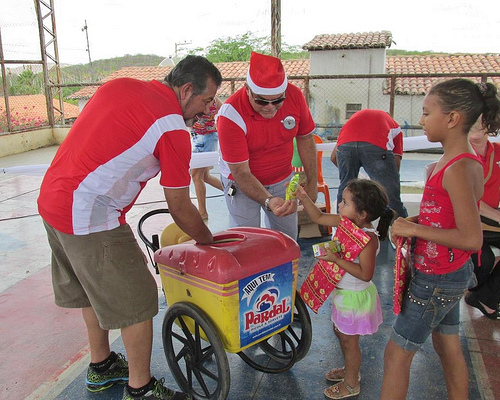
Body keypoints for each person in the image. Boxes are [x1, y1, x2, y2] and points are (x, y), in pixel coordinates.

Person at [37, 55, 222, 400]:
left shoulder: (120, 86)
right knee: (138, 298)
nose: (207, 109)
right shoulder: (171, 127)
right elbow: (180, 206)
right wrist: (209, 241)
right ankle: (141, 389)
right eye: (206, 100)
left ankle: (102, 366)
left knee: (90, 289)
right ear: (186, 90)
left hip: (53, 201)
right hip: (91, 217)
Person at [381, 78, 500, 400]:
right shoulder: (452, 161)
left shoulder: (458, 168)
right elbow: (447, 215)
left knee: (395, 355)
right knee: (447, 347)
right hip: (446, 274)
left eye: (426, 112)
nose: (421, 120)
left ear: (452, 119)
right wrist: (416, 221)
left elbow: (471, 238)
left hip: (437, 278)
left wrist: (415, 230)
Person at [295, 179, 393, 399]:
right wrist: (303, 197)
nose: (340, 205)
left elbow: (365, 274)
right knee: (340, 333)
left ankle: (351, 383)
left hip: (354, 298)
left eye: (345, 203)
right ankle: (350, 369)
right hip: (342, 295)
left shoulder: (368, 240)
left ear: (362, 214)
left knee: (350, 343)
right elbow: (319, 217)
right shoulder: (345, 222)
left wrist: (336, 260)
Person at [217, 51, 317, 240]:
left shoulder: (295, 96)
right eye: (261, 100)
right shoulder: (230, 115)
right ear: (247, 89)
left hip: (282, 180)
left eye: (278, 100)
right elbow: (241, 172)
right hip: (241, 183)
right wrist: (268, 200)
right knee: (247, 240)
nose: (270, 107)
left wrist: (312, 182)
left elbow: (305, 138)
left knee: (287, 239)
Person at [330, 109, 408, 219]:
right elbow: (395, 162)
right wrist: (387, 179)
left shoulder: (353, 123)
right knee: (389, 193)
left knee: (346, 187)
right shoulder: (395, 127)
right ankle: (401, 225)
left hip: (345, 146)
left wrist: (350, 174)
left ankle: (343, 225)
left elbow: (333, 157)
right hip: (376, 145)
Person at [466, 117, 500, 319]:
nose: (476, 122)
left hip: (490, 222)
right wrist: (497, 215)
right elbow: (464, 198)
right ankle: (480, 292)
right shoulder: (460, 155)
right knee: (484, 260)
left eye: (482, 117)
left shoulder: (497, 152)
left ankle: (485, 297)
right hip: (464, 221)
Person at [190, 96, 224, 222]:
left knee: (196, 176)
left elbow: (223, 110)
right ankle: (234, 193)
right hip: (199, 137)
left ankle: (202, 213)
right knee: (205, 177)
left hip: (206, 137)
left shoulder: (206, 99)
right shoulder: (209, 98)